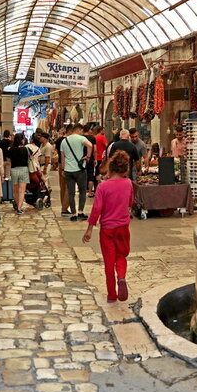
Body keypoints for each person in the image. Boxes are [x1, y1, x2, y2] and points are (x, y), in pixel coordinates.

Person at [83, 151, 134, 303]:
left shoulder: (102, 187)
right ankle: (122, 277)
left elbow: (97, 209)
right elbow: (130, 203)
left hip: (107, 229)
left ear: (110, 169)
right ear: (125, 169)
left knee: (108, 262)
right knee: (121, 256)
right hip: (123, 227)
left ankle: (112, 294)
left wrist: (89, 229)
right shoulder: (129, 183)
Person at [61, 123, 93, 221]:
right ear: (79, 129)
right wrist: (87, 156)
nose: (82, 133)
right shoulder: (80, 138)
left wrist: (63, 169)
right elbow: (90, 145)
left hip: (68, 170)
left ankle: (73, 214)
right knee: (82, 191)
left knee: (71, 193)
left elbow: (62, 156)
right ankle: (80, 212)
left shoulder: (64, 141)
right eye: (82, 131)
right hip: (79, 170)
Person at [8, 132, 31, 214]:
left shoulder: (11, 149)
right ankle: (19, 208)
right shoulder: (26, 149)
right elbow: (30, 159)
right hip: (24, 170)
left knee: (15, 190)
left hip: (14, 170)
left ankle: (17, 205)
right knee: (22, 190)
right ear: (21, 140)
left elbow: (8, 160)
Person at [56, 127, 71, 216]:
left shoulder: (58, 141)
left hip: (60, 164)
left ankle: (63, 205)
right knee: (68, 187)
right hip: (67, 165)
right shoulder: (67, 141)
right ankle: (64, 208)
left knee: (62, 187)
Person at [83, 124, 97, 197]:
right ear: (88, 130)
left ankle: (83, 190)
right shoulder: (92, 138)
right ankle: (90, 192)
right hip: (90, 159)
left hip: (82, 159)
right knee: (90, 174)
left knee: (82, 174)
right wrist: (95, 159)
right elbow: (95, 150)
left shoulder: (80, 138)